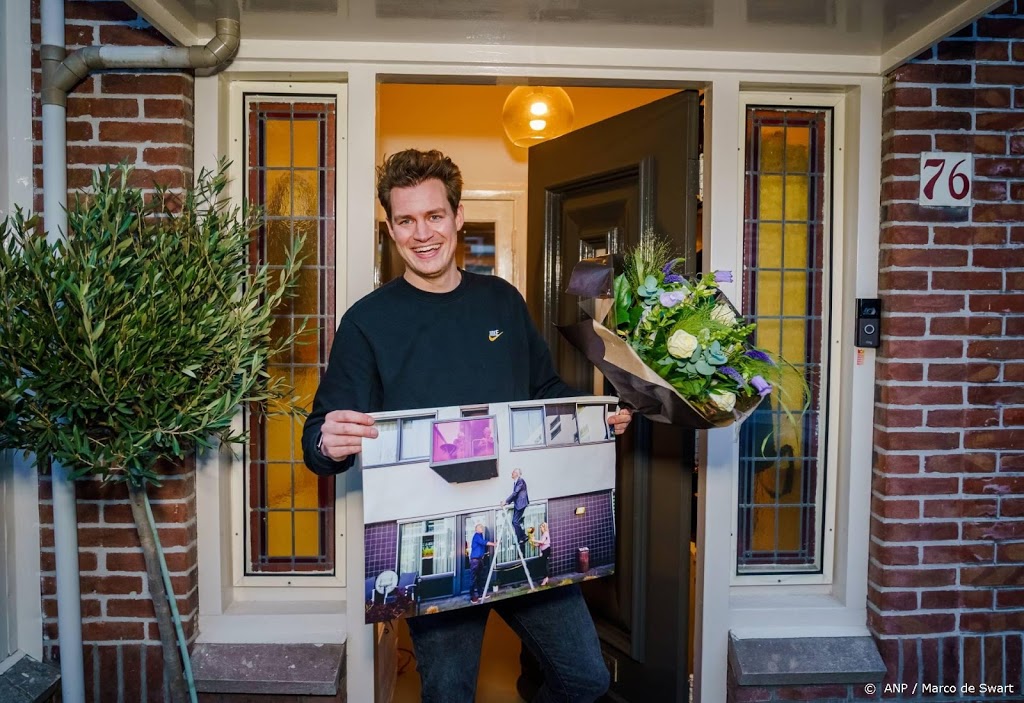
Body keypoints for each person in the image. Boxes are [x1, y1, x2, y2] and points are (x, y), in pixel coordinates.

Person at [301, 148, 632, 703]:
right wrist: (326, 440)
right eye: (406, 220)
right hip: (438, 552)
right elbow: (320, 439)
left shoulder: (501, 301)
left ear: (457, 216)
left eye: (434, 216)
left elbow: (543, 391)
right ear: (389, 228)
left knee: (587, 678)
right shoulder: (366, 321)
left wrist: (594, 418)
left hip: (524, 531)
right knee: (450, 694)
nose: (422, 233)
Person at [468, 523, 495, 604]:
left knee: (479, 577)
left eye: (481, 527)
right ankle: (472, 597)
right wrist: (494, 544)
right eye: (479, 527)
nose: (481, 528)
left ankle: (480, 594)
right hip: (475, 561)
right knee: (473, 579)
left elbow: (482, 545)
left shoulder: (480, 536)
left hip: (479, 560)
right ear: (476, 530)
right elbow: (484, 542)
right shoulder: (476, 536)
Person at [504, 468, 529, 547]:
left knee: (515, 522)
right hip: (518, 505)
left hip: (520, 504)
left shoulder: (520, 481)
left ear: (517, 474)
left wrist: (506, 501)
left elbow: (515, 493)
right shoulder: (516, 482)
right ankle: (522, 537)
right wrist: (507, 502)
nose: (512, 473)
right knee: (514, 522)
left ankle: (522, 537)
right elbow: (515, 495)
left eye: (513, 472)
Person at [530, 522, 552, 587]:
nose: (540, 529)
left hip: (546, 551)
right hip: (544, 551)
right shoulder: (543, 534)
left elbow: (542, 542)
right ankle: (546, 578)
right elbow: (541, 544)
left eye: (541, 527)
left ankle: (545, 579)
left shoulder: (546, 533)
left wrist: (534, 540)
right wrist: (534, 544)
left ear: (544, 527)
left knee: (544, 565)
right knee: (544, 564)